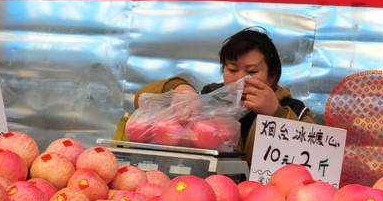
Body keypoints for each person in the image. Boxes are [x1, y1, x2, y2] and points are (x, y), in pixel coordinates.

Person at [128, 28, 314, 160]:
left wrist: (276, 114)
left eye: (251, 72)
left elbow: (313, 153)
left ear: (272, 77)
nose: (240, 79)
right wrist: (181, 89)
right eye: (232, 70)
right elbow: (141, 100)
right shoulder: (209, 96)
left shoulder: (295, 110)